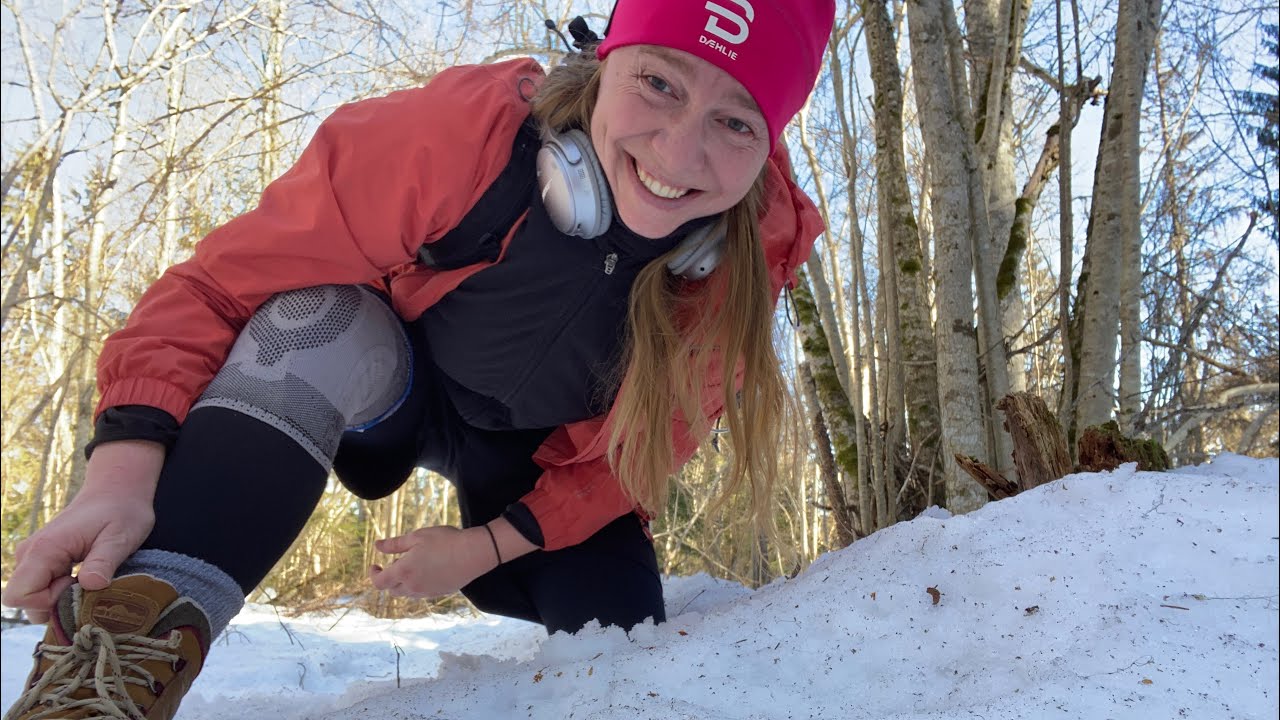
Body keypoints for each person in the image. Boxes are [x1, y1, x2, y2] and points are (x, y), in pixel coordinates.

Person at [2, 0, 834, 717]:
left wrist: (488, 546)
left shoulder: (747, 258)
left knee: (622, 644)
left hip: (545, 463)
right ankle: (114, 657)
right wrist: (120, 473)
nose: (679, 155)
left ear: (771, 139)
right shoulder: (466, 136)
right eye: (659, 82)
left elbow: (633, 457)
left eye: (735, 122)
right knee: (311, 321)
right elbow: (219, 288)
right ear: (607, 58)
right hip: (390, 382)